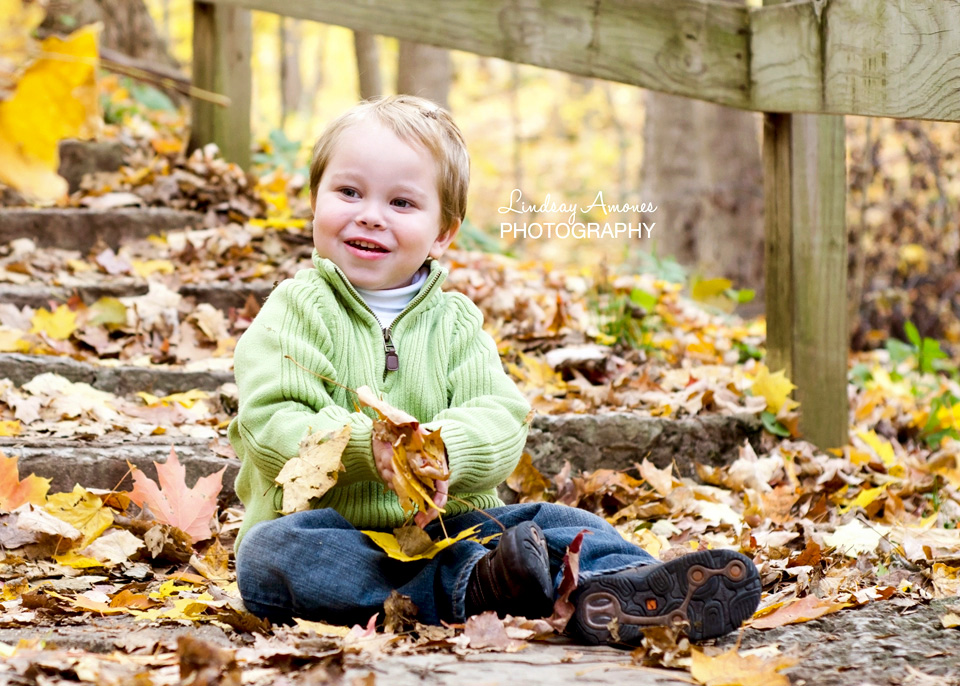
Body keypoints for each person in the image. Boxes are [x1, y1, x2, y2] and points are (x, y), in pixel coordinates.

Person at [229, 94, 761, 646]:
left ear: (443, 233)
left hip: (452, 528)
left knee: (555, 523)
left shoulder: (455, 322)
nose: (370, 214)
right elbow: (272, 423)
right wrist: (369, 447)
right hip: (337, 535)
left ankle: (626, 588)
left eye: (402, 203)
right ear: (314, 200)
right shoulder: (295, 309)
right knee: (272, 554)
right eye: (349, 192)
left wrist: (443, 449)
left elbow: (501, 415)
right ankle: (473, 588)